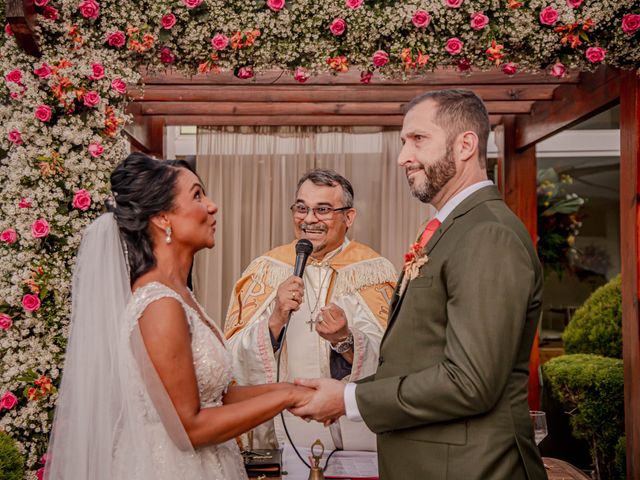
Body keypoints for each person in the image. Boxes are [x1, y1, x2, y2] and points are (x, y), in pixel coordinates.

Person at [292, 90, 548, 479]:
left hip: (470, 468)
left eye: (418, 139)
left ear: (465, 145)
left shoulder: (487, 234)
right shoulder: (456, 228)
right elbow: (418, 359)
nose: (403, 157)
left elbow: (471, 382)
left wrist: (350, 398)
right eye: (403, 142)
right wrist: (340, 395)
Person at [44, 153, 312, 480]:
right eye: (197, 195)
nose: (212, 206)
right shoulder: (160, 305)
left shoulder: (182, 297)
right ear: (162, 219)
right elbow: (190, 428)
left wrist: (293, 390)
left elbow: (219, 397)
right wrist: (288, 397)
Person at [224, 169, 396, 451]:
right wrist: (275, 320)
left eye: (323, 209)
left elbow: (396, 362)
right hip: (284, 438)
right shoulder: (264, 271)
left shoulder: (374, 273)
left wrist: (345, 341)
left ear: (348, 217)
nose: (309, 219)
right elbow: (232, 361)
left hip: (357, 440)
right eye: (302, 208)